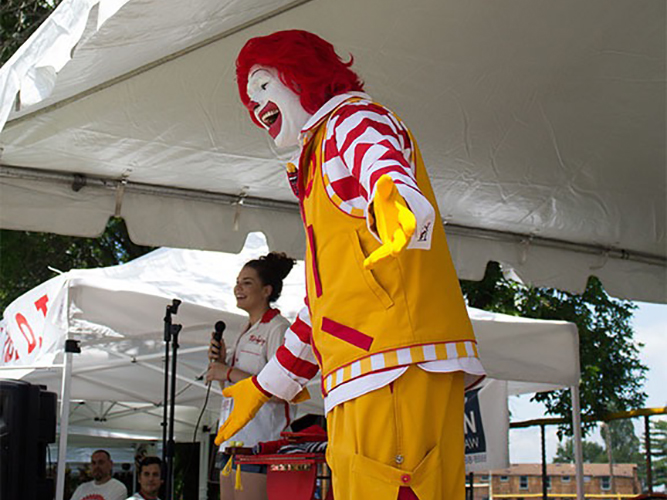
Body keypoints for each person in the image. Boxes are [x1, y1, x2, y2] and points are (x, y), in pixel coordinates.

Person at [215, 30, 486, 500]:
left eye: (263, 84)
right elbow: (325, 306)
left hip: (394, 365)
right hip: (367, 371)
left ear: (303, 74)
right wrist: (264, 386)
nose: (256, 105)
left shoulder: (349, 119)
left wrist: (391, 194)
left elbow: (378, 158)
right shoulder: (317, 161)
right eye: (249, 97)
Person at [206, 252, 297, 500]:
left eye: (247, 282)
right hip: (233, 442)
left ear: (266, 290)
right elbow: (239, 387)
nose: (238, 288)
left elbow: (281, 393)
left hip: (260, 445)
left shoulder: (278, 328)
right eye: (237, 281)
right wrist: (223, 364)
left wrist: (228, 371)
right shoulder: (245, 329)